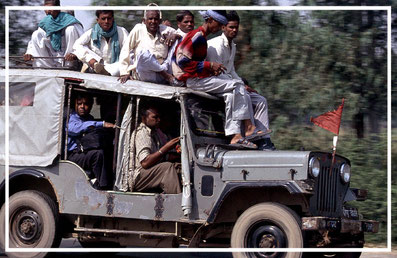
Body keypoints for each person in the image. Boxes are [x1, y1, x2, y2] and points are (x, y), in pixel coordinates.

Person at [172, 10, 264, 148]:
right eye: (219, 23)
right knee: (237, 85)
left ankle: (235, 136)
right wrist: (208, 65)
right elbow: (182, 61)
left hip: (199, 78)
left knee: (231, 94)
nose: (219, 27)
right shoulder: (197, 36)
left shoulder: (202, 37)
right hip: (192, 80)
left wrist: (209, 68)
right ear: (209, 20)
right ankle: (249, 127)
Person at [207, 11, 275, 150]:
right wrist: (240, 85)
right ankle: (247, 129)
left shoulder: (233, 46)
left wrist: (243, 84)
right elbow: (216, 73)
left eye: (236, 27)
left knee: (260, 100)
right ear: (223, 27)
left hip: (229, 82)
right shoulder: (215, 45)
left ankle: (263, 140)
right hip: (215, 83)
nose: (234, 30)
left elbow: (231, 70)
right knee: (241, 93)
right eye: (231, 27)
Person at [118, 5, 178, 85]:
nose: (153, 21)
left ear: (160, 21)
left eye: (156, 19)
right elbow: (125, 49)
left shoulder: (165, 29)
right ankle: (167, 76)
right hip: (145, 73)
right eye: (150, 19)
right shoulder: (138, 29)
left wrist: (174, 36)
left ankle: (177, 76)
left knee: (178, 40)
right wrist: (124, 72)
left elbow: (181, 34)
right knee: (143, 54)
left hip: (163, 70)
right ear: (144, 21)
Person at [67, 93, 115, 190]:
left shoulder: (89, 118)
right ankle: (103, 187)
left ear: (91, 106)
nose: (82, 107)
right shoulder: (71, 117)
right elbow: (75, 129)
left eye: (86, 104)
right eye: (79, 104)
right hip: (73, 155)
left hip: (84, 152)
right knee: (97, 155)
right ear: (75, 104)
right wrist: (102, 124)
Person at [129, 106, 181, 194]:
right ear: (144, 118)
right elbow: (145, 163)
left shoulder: (155, 133)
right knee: (167, 168)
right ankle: (175, 201)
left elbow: (161, 156)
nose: (158, 120)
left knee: (180, 168)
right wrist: (165, 148)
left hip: (151, 170)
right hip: (139, 176)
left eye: (159, 117)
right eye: (155, 117)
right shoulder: (142, 133)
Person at [24, 0, 83, 68]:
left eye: (50, 8)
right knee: (36, 34)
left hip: (68, 60)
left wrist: (74, 54)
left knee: (71, 29)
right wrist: (29, 53)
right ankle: (42, 66)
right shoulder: (46, 23)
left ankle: (69, 65)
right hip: (51, 59)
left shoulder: (72, 23)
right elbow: (34, 41)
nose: (48, 11)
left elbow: (81, 40)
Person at [73, 10, 129, 76]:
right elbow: (76, 45)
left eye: (109, 18)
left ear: (113, 19)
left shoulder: (121, 31)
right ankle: (97, 68)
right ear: (98, 20)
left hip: (114, 67)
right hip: (96, 64)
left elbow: (128, 51)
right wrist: (90, 59)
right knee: (82, 47)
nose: (106, 21)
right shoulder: (91, 32)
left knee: (119, 68)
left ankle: (106, 73)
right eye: (103, 19)